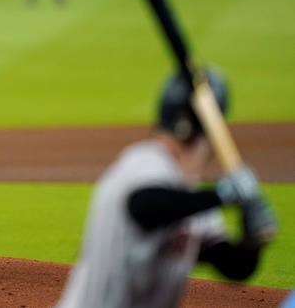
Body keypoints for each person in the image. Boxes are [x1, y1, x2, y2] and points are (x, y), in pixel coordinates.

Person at [55, 68, 277, 308]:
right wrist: (223, 195)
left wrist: (252, 241)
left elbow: (233, 267)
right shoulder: (144, 162)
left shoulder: (189, 196)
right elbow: (144, 205)